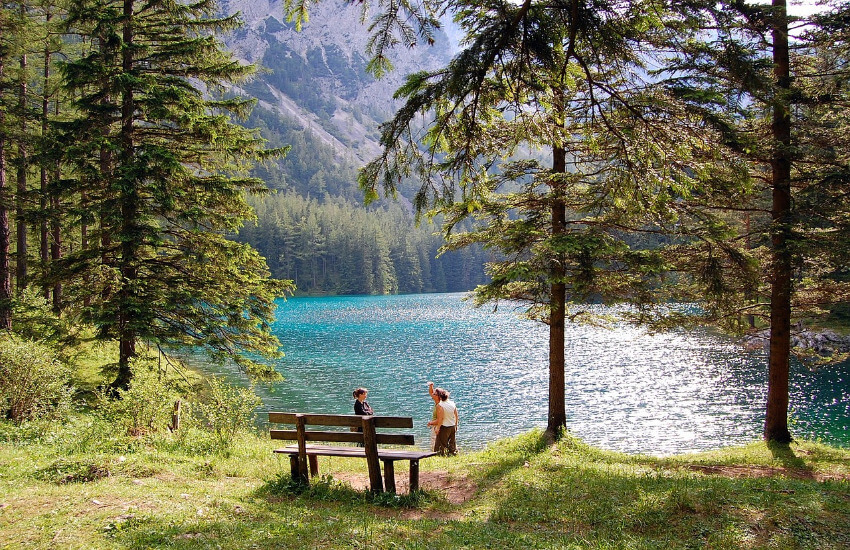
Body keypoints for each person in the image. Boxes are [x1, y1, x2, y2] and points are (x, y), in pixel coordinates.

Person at [428, 387, 458, 455]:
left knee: (440, 446)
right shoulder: (452, 403)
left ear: (439, 396)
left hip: (444, 427)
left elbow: (440, 418)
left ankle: (440, 457)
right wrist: (456, 425)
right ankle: (452, 455)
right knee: (451, 444)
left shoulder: (440, 405)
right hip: (452, 426)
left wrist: (438, 428)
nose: (433, 395)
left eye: (435, 394)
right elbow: (456, 415)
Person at [427, 381, 440, 451]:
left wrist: (431, 423)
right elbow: (430, 393)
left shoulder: (439, 406)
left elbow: (439, 419)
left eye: (434, 394)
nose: (432, 394)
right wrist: (431, 386)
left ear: (438, 396)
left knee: (434, 443)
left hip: (436, 426)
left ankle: (435, 454)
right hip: (435, 426)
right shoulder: (437, 402)